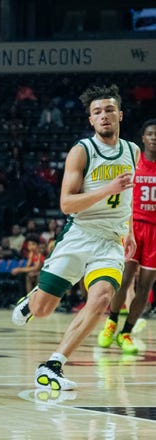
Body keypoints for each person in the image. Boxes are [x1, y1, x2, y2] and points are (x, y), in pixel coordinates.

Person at [12, 84, 139, 390]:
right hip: (79, 235)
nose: (104, 116)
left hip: (110, 240)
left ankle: (53, 364)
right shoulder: (82, 151)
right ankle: (34, 300)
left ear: (120, 114)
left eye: (109, 110)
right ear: (91, 120)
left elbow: (128, 197)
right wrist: (108, 189)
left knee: (103, 299)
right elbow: (67, 204)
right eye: (97, 112)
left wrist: (131, 231)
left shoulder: (133, 151)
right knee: (43, 311)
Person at [97, 119, 156, 354]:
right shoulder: (133, 161)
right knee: (123, 278)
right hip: (132, 227)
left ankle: (126, 332)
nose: (154, 138)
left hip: (154, 231)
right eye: (150, 134)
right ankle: (112, 321)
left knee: (145, 286)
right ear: (143, 138)